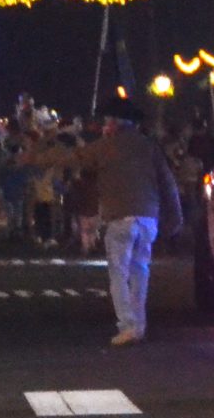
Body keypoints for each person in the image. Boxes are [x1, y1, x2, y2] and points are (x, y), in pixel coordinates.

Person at [72, 107, 182, 345]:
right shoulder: (150, 147)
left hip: (119, 217)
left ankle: (127, 324)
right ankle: (139, 324)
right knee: (140, 271)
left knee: (118, 273)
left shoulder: (105, 146)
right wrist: (175, 217)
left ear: (113, 125)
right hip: (147, 217)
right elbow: (168, 184)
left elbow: (75, 157)